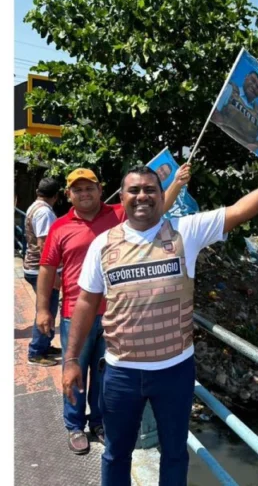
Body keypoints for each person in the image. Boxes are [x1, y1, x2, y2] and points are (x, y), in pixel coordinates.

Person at [63, 153, 258, 485]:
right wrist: (70, 360)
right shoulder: (102, 245)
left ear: (161, 193)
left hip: (174, 372)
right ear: (121, 198)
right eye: (134, 190)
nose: (142, 196)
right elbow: (85, 302)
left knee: (175, 453)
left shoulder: (186, 231)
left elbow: (239, 211)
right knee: (115, 453)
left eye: (150, 189)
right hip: (121, 373)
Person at [37, 167, 190, 455]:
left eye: (89, 188)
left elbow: (157, 208)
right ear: (68, 195)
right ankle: (74, 425)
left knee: (103, 374)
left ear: (100, 189)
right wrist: (42, 309)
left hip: (115, 314)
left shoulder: (119, 213)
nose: (84, 193)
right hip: (76, 312)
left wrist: (178, 185)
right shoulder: (60, 226)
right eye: (77, 189)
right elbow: (46, 268)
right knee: (74, 370)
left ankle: (97, 422)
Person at [24, 177, 63, 366]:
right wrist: (53, 274)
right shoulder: (44, 213)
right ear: (56, 196)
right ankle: (36, 352)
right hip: (40, 269)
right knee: (46, 310)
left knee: (49, 309)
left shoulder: (34, 207)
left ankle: (45, 344)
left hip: (34, 266)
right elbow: (44, 246)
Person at [211, 70, 258, 151]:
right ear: (246, 77)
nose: (254, 86)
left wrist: (254, 145)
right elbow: (214, 116)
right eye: (253, 80)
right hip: (218, 143)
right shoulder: (229, 89)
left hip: (240, 152)